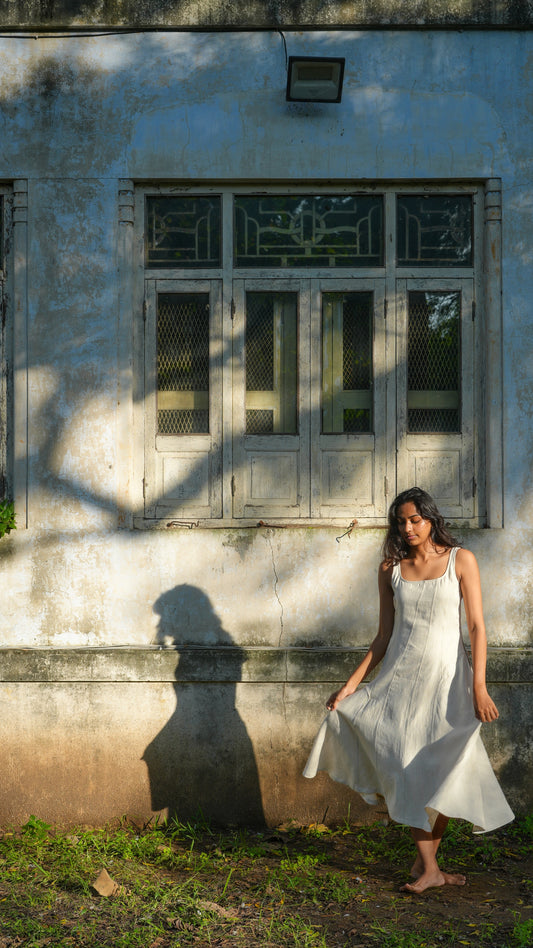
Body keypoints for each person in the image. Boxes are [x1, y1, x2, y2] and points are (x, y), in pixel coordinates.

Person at [304, 486, 514, 894]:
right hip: (399, 685)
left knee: (455, 768)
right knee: (404, 766)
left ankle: (426, 864)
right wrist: (350, 686)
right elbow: (383, 637)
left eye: (415, 519)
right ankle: (431, 867)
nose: (408, 527)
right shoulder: (390, 570)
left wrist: (479, 687)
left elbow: (476, 628)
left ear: (431, 519)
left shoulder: (460, 560)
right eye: (401, 521)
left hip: (448, 684)